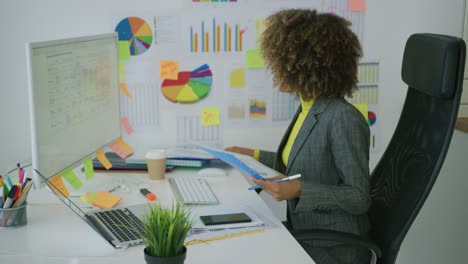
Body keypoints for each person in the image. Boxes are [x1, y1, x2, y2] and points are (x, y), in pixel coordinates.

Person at [225, 9, 371, 264]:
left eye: (280, 63)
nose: (274, 70)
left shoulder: (342, 118)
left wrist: (299, 189)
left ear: (305, 65)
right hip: (305, 232)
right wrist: (252, 155)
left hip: (335, 247)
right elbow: (299, 160)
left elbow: (359, 197)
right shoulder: (308, 106)